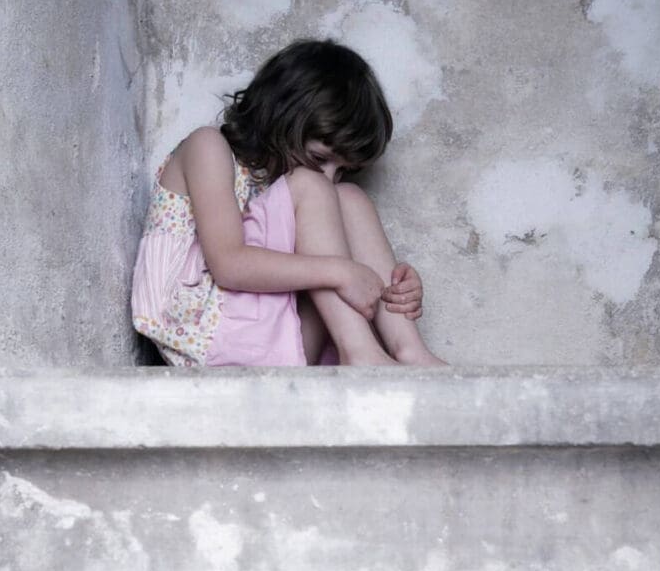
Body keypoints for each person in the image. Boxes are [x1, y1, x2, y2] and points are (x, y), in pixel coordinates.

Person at [132, 39, 445, 367]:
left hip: (277, 341)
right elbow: (228, 264)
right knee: (314, 189)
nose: (328, 177)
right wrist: (342, 271)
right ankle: (360, 353)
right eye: (319, 158)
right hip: (207, 340)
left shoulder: (284, 193)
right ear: (280, 116)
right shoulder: (208, 147)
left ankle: (409, 351)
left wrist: (391, 293)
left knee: (350, 198)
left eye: (342, 169)